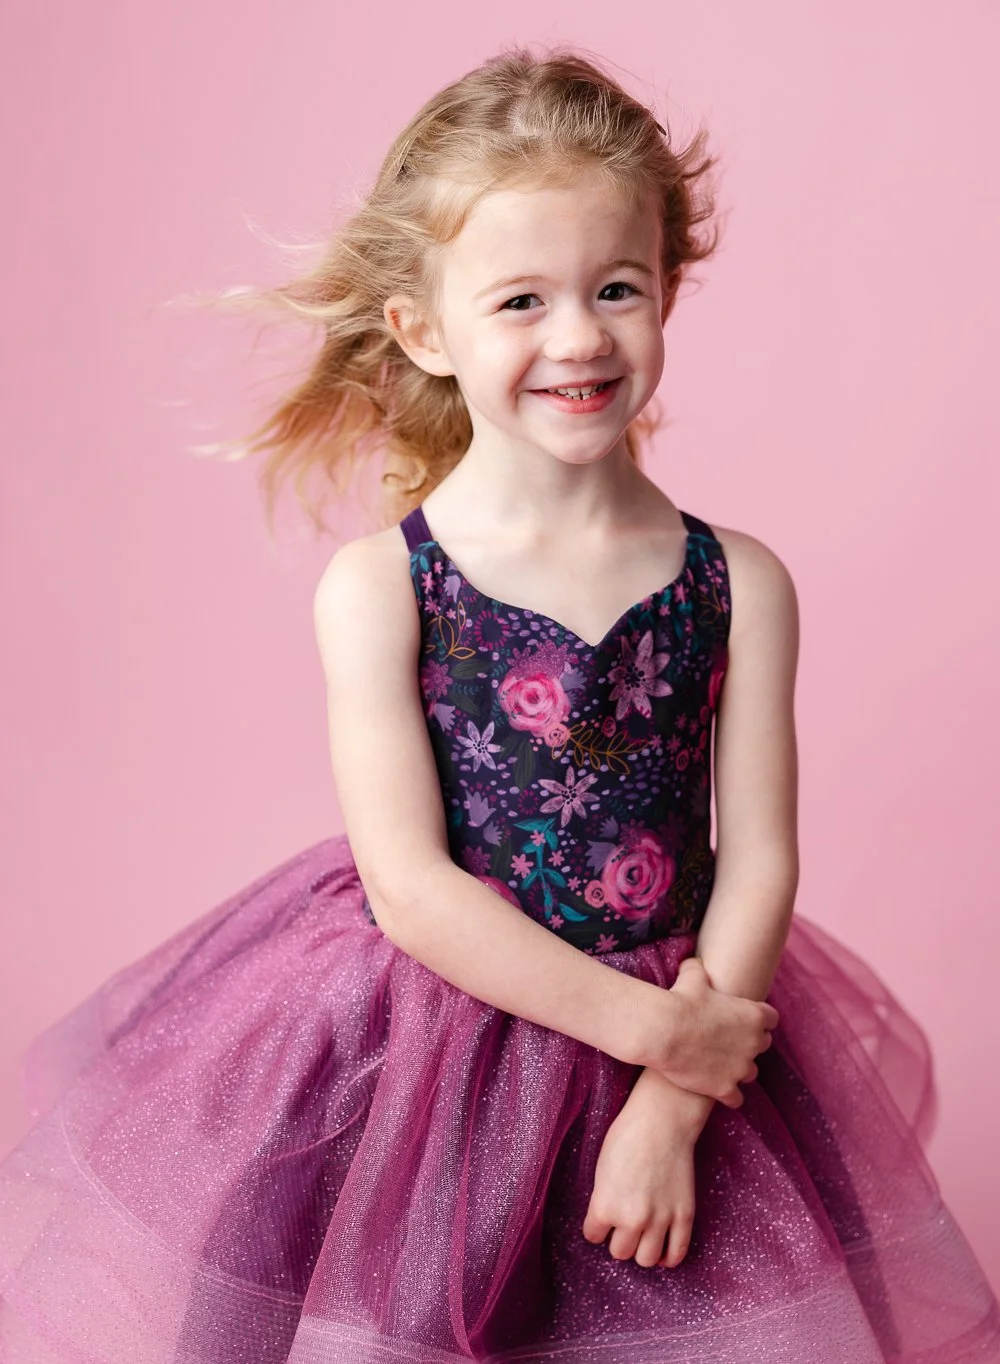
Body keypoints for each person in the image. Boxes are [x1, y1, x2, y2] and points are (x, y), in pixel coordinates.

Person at [1, 45, 998, 1364]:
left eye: (617, 287)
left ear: (668, 289)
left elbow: (758, 855)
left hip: (684, 1033)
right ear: (425, 327)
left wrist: (674, 1103)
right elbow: (407, 885)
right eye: (520, 298)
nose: (579, 335)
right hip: (436, 1048)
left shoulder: (738, 582)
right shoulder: (381, 589)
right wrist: (670, 1038)